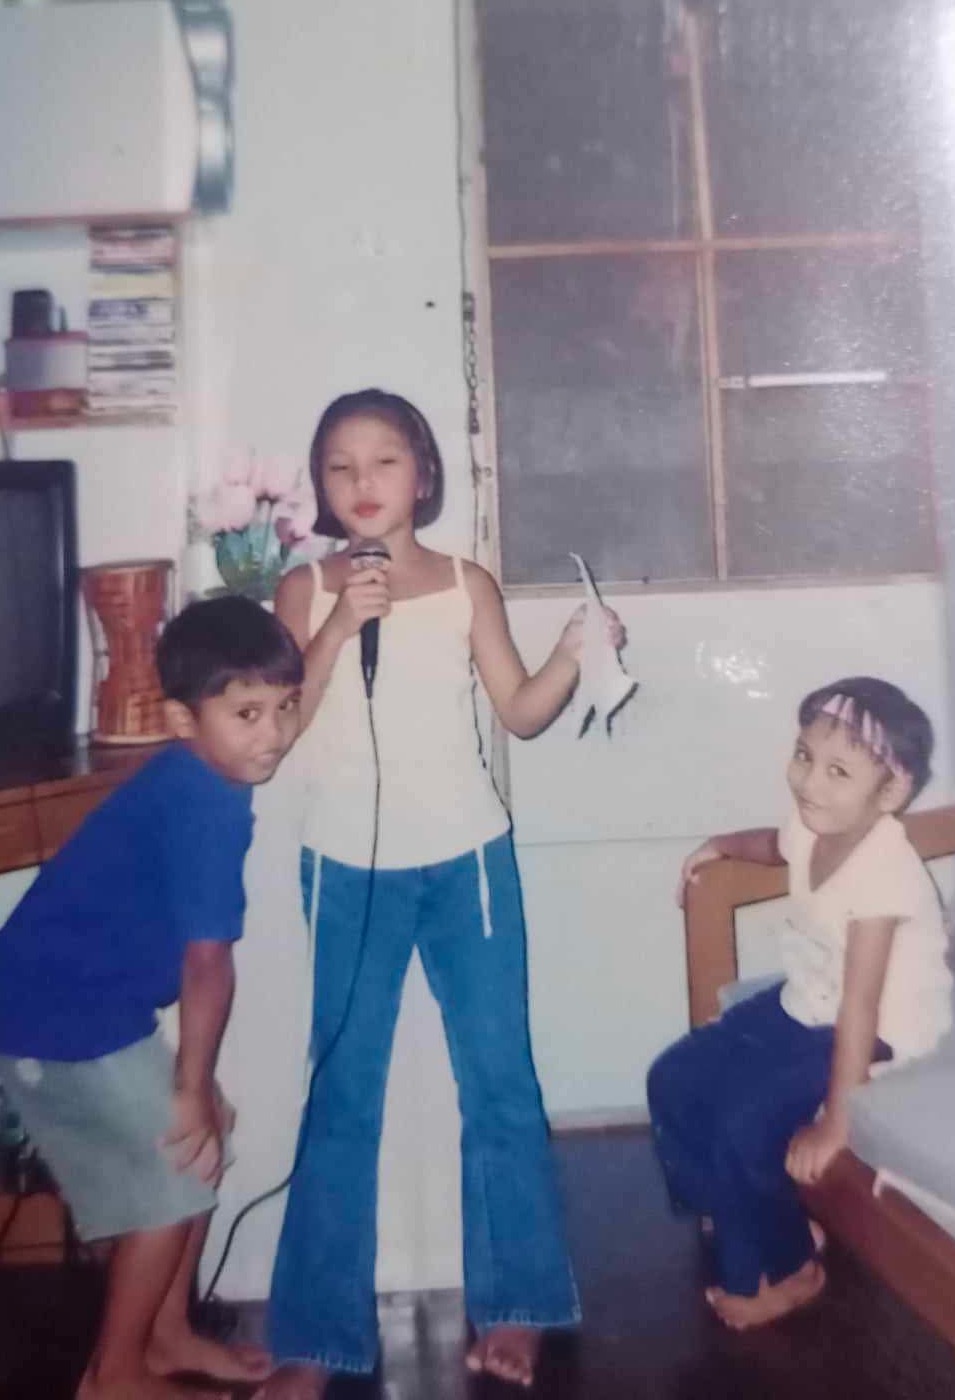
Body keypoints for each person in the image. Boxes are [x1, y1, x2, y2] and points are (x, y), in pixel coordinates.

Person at [259, 388, 625, 1399]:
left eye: (384, 462)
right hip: (345, 865)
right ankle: (315, 1333)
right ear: (323, 487)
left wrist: (571, 650)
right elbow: (278, 729)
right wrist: (336, 624)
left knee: (500, 1084)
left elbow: (519, 709)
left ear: (421, 475)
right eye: (341, 466)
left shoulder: (467, 581)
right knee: (341, 1095)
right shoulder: (301, 587)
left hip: (468, 858)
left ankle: (518, 1303)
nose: (364, 482)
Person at [0, 595, 304, 1400]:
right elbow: (209, 966)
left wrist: (201, 1098)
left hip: (84, 1008)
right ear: (181, 719)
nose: (271, 732)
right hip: (49, 1017)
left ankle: (165, 1337)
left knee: (205, 1138)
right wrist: (189, 1087)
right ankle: (114, 1375)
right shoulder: (201, 803)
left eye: (283, 708)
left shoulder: (205, 779)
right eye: (246, 712)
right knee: (174, 1165)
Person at [647, 676, 952, 1331]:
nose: (809, 781)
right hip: (809, 999)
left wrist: (837, 1122)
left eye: (837, 770)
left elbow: (863, 1010)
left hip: (880, 1028)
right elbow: (774, 844)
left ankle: (787, 1272)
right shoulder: (816, 823)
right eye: (803, 755)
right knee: (673, 1078)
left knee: (742, 1122)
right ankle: (737, 1208)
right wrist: (722, 843)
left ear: (891, 792)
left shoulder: (883, 876)